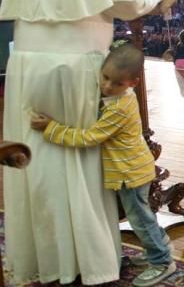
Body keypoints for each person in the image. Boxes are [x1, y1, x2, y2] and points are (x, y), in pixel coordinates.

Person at [0, 0, 168, 285]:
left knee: (39, 163)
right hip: (74, 69)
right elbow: (128, 3)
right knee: (77, 161)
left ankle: (49, 257)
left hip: (26, 66)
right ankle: (89, 260)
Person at [30, 44, 176, 287]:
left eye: (117, 83)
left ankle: (162, 261)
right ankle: (157, 251)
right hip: (131, 168)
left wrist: (51, 128)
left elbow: (90, 138)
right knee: (142, 216)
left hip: (130, 172)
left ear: (133, 83)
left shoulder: (119, 107)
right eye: (105, 77)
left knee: (140, 219)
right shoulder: (115, 98)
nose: (107, 86)